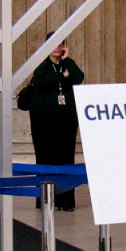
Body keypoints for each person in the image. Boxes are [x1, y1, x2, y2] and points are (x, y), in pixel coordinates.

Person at [28, 33, 84, 210]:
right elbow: (40, 83)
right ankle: (47, 199)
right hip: (45, 119)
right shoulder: (43, 66)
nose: (56, 47)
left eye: (60, 43)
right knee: (46, 157)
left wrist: (67, 60)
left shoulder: (68, 64)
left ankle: (66, 201)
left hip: (66, 117)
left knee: (66, 157)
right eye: (52, 43)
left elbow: (79, 77)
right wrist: (62, 77)